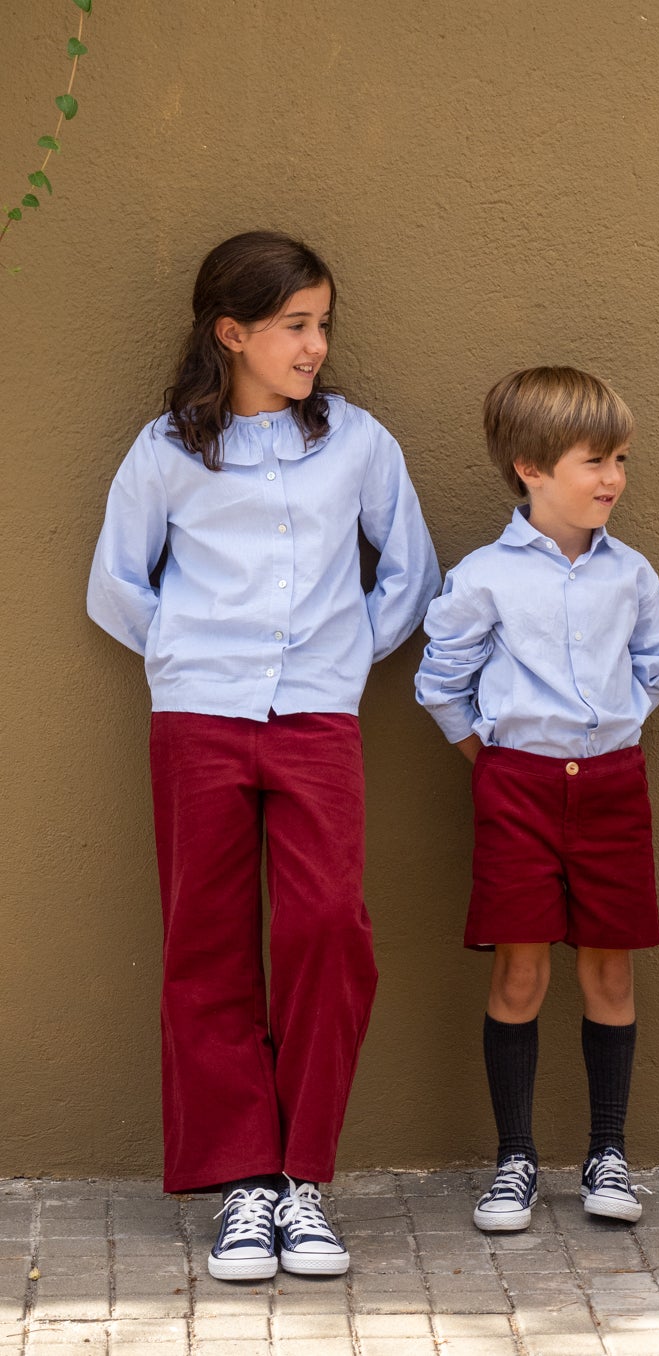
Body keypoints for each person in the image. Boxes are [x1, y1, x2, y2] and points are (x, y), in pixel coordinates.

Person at [87, 231, 440, 1284]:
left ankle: (303, 1174)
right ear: (231, 333)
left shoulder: (359, 444)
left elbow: (409, 574)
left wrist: (340, 658)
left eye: (323, 323)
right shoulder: (166, 450)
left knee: (331, 924)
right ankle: (244, 1182)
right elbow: (116, 583)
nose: (316, 345)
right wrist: (191, 651)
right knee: (209, 941)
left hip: (317, 720)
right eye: (296, 325)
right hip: (196, 717)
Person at [415, 366, 659, 1234]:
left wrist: (610, 727)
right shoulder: (485, 575)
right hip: (517, 788)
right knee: (520, 968)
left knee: (609, 965)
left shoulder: (629, 574)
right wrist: (493, 760)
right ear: (530, 467)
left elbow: (658, 663)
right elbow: (441, 683)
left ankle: (608, 1151)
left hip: (611, 787)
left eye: (620, 460)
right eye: (593, 460)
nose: (612, 478)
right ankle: (515, 1159)